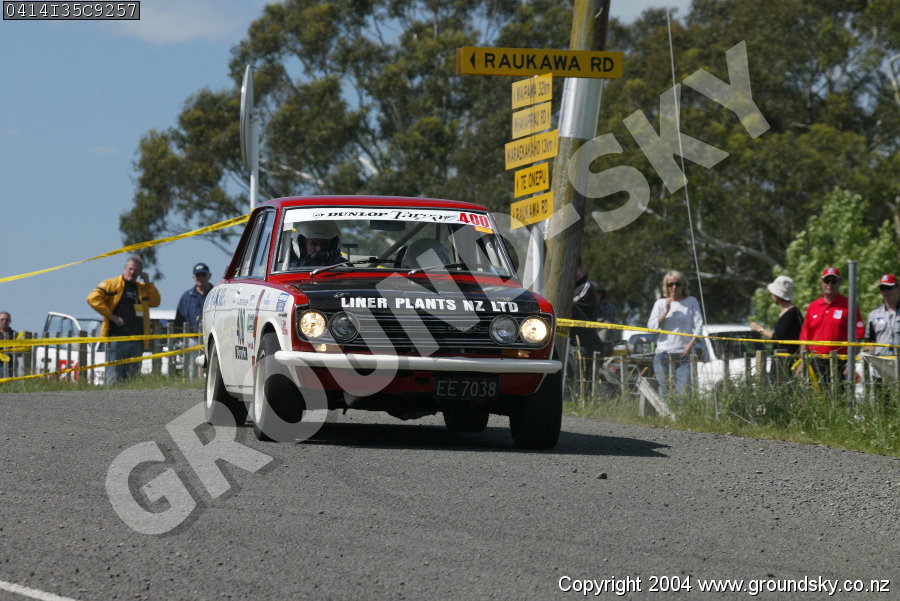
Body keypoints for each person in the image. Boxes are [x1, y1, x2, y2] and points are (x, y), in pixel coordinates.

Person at [87, 256, 161, 383]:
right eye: (130, 269)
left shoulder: (142, 288)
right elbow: (92, 298)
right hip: (117, 339)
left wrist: (148, 283)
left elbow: (155, 302)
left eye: (136, 270)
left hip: (137, 341)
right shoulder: (113, 284)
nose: (132, 272)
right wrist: (111, 316)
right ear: (125, 268)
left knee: (131, 380)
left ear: (140, 273)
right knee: (113, 379)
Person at [798, 266, 864, 384]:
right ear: (821, 282)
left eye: (833, 281)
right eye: (826, 280)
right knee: (815, 394)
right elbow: (805, 337)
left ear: (839, 283)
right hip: (815, 360)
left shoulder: (849, 305)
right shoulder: (813, 306)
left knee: (838, 394)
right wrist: (802, 362)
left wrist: (851, 362)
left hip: (840, 361)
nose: (829, 284)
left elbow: (858, 336)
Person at [647, 270, 704, 401]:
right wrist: (665, 312)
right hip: (663, 354)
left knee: (683, 393)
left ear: (683, 285)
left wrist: (691, 344)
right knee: (664, 392)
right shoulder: (660, 303)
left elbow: (699, 325)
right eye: (670, 284)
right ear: (666, 286)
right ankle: (664, 414)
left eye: (677, 284)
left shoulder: (691, 301)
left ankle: (682, 414)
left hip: (684, 355)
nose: (674, 287)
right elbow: (651, 328)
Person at [750, 275, 804, 353]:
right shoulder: (788, 312)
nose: (771, 295)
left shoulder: (792, 314)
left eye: (773, 293)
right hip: (781, 356)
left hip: (787, 358)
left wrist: (759, 329)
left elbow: (778, 337)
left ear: (777, 295)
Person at [864, 273, 899, 357]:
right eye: (882, 288)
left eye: (889, 288)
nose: (886, 291)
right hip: (881, 360)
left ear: (898, 288)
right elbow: (870, 339)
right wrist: (872, 354)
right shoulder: (874, 314)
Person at [175, 262, 213, 333]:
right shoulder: (186, 297)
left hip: (212, 337)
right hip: (190, 338)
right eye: (198, 275)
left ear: (210, 276)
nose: (201, 278)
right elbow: (178, 323)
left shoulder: (217, 294)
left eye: (203, 274)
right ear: (193, 277)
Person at [0, 312, 18, 378]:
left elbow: (21, 350)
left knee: (9, 383)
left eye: (6, 319)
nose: (4, 321)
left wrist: (15, 352)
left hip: (11, 365)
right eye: (2, 319)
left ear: (10, 321)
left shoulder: (15, 335)